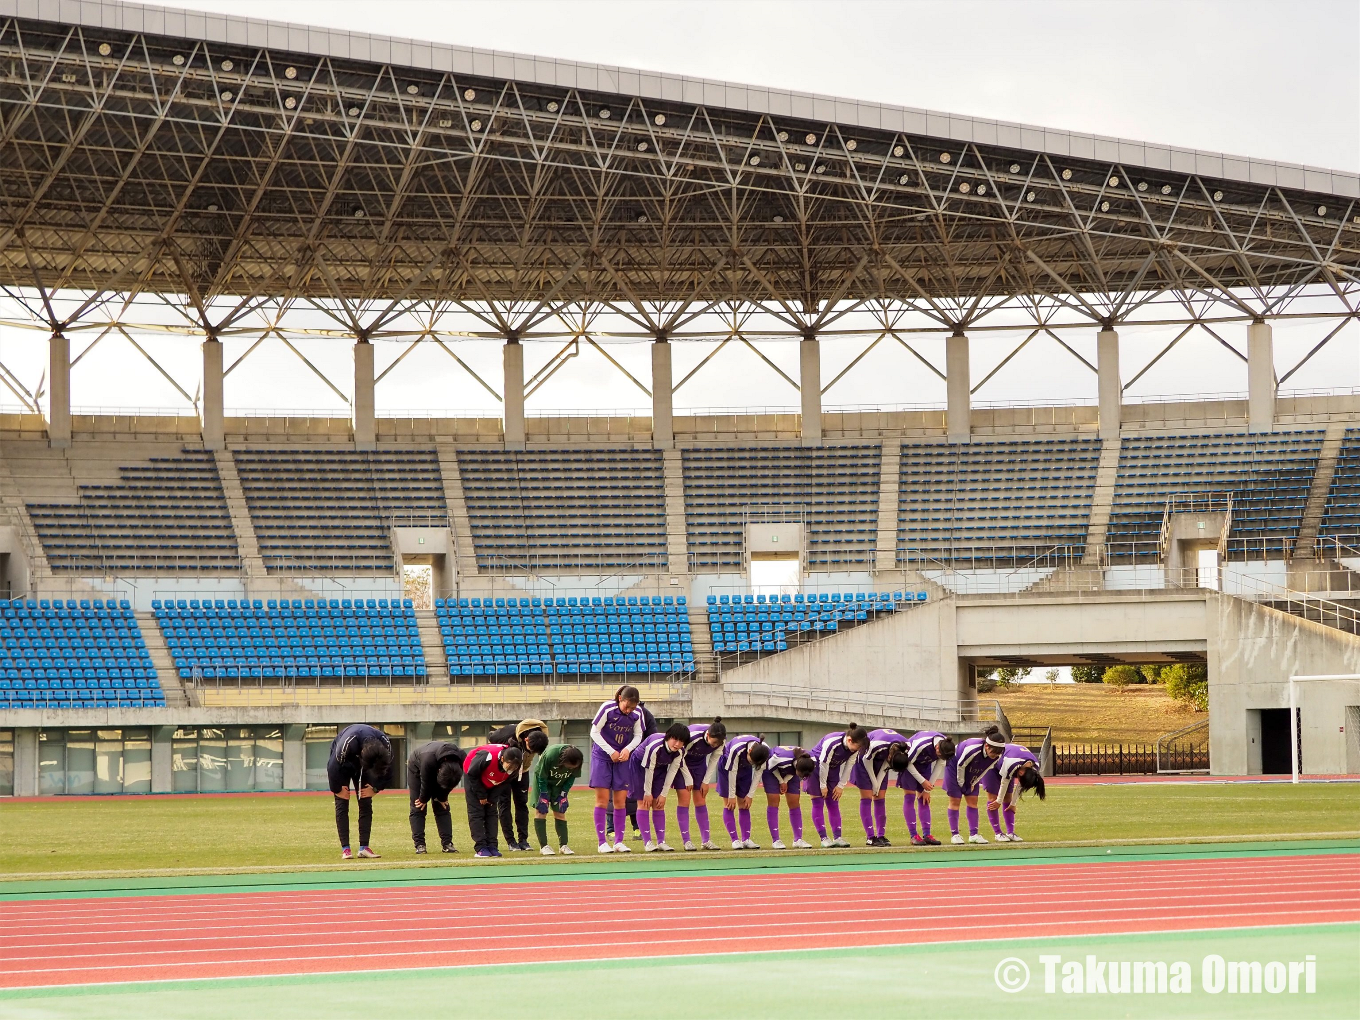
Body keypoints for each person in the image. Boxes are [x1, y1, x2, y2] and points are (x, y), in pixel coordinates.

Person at [590, 685, 645, 853]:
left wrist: (628, 750)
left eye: (633, 707)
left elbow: (638, 736)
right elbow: (594, 731)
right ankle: (602, 843)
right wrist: (610, 751)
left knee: (621, 801)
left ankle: (619, 842)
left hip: (622, 759)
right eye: (627, 706)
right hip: (602, 757)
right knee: (602, 800)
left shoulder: (638, 714)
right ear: (620, 699)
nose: (629, 710)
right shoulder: (608, 708)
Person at [327, 723, 394, 860]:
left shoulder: (385, 745)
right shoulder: (347, 744)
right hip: (343, 764)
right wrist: (337, 789)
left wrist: (375, 788)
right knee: (342, 802)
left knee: (365, 801)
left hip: (365, 762)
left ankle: (364, 848)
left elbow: (389, 771)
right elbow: (332, 767)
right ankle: (346, 849)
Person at [487, 719, 551, 852]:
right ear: (526, 739)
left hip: (523, 771)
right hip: (505, 772)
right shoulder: (507, 735)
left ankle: (523, 840)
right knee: (504, 803)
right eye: (531, 750)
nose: (531, 752)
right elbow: (491, 737)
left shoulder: (541, 739)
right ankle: (511, 841)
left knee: (522, 803)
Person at [803, 724, 870, 848]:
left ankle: (837, 837)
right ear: (850, 740)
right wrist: (823, 785)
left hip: (833, 770)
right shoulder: (832, 742)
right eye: (858, 746)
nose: (858, 749)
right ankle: (824, 838)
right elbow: (823, 763)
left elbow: (849, 766)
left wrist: (841, 785)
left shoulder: (854, 750)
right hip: (816, 768)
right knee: (818, 802)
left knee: (833, 802)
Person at [630, 722, 690, 851]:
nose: (677, 744)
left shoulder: (680, 752)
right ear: (668, 737)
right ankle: (647, 843)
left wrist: (663, 794)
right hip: (640, 767)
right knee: (644, 802)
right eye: (675, 739)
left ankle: (661, 841)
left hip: (660, 767)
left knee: (659, 803)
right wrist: (647, 792)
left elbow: (672, 772)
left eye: (681, 741)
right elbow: (648, 770)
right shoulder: (655, 746)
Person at [944, 726, 1005, 844]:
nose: (995, 755)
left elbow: (985, 770)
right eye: (993, 752)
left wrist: (973, 782)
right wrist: (962, 784)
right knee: (955, 801)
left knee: (973, 801)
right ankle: (955, 834)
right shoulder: (973, 749)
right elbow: (961, 766)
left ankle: (974, 834)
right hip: (955, 767)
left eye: (998, 753)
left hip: (973, 769)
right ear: (987, 746)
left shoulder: (997, 756)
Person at [462, 743, 524, 858]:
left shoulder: (516, 766)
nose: (511, 769)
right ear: (502, 759)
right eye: (509, 766)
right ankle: (480, 847)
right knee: (477, 813)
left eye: (514, 767)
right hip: (474, 777)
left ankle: (492, 846)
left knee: (492, 812)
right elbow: (472, 774)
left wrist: (491, 798)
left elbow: (505, 783)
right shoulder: (488, 756)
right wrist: (481, 795)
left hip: (494, 782)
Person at [896, 730, 957, 846]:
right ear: (937, 748)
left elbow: (940, 765)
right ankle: (913, 835)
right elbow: (907, 762)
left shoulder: (946, 747)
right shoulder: (922, 745)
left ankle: (927, 834)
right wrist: (923, 781)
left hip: (924, 765)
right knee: (909, 798)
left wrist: (927, 789)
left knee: (924, 800)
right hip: (909, 765)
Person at [851, 728, 910, 847]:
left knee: (880, 797)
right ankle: (870, 837)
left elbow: (886, 764)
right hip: (864, 761)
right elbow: (866, 760)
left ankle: (881, 835)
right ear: (890, 756)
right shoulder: (877, 745)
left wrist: (878, 783)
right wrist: (874, 782)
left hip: (881, 762)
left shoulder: (906, 746)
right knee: (867, 797)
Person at [607, 701, 655, 843]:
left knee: (635, 793)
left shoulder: (645, 715)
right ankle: (611, 829)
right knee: (613, 793)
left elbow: (651, 735)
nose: (630, 710)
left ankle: (637, 828)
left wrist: (639, 752)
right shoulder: (613, 712)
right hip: (616, 756)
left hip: (636, 758)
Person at [406, 739, 466, 854]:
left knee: (442, 805)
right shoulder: (428, 760)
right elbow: (426, 782)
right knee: (418, 806)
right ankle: (420, 844)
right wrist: (423, 799)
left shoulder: (462, 758)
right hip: (417, 769)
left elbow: (451, 782)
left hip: (444, 771)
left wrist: (442, 796)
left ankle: (447, 843)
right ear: (439, 771)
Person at [676, 717, 726, 850]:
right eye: (713, 742)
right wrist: (688, 778)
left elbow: (713, 760)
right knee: (684, 801)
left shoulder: (721, 741)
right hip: (682, 764)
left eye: (718, 743)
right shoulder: (692, 737)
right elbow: (679, 757)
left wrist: (705, 781)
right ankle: (687, 841)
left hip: (699, 765)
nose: (715, 745)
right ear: (708, 735)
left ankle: (706, 840)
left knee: (700, 800)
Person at [981, 742, 1046, 842]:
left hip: (1008, 766)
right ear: (1020, 772)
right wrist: (998, 801)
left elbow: (1021, 785)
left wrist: (1013, 803)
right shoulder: (1012, 764)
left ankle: (1010, 832)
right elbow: (1004, 782)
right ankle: (998, 833)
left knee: (1008, 799)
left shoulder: (1034, 767)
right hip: (992, 766)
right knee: (993, 799)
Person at [717, 734, 771, 849]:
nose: (752, 764)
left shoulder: (765, 751)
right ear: (749, 750)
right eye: (751, 760)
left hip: (745, 770)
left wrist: (750, 795)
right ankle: (735, 840)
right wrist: (731, 796)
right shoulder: (736, 749)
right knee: (729, 805)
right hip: (727, 769)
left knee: (745, 804)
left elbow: (758, 773)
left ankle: (746, 839)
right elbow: (732, 772)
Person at [532, 743, 584, 856]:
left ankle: (563, 845)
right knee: (541, 811)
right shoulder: (551, 755)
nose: (570, 769)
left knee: (560, 811)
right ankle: (544, 846)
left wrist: (564, 794)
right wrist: (544, 794)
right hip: (543, 782)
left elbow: (571, 778)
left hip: (560, 783)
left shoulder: (578, 758)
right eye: (569, 766)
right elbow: (541, 776)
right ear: (562, 760)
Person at [761, 745, 817, 849]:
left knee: (794, 801)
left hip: (791, 770)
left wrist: (786, 781)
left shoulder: (811, 760)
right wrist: (781, 781)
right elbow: (771, 766)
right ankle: (776, 840)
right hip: (772, 769)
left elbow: (795, 772)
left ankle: (798, 839)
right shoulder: (781, 759)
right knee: (774, 800)